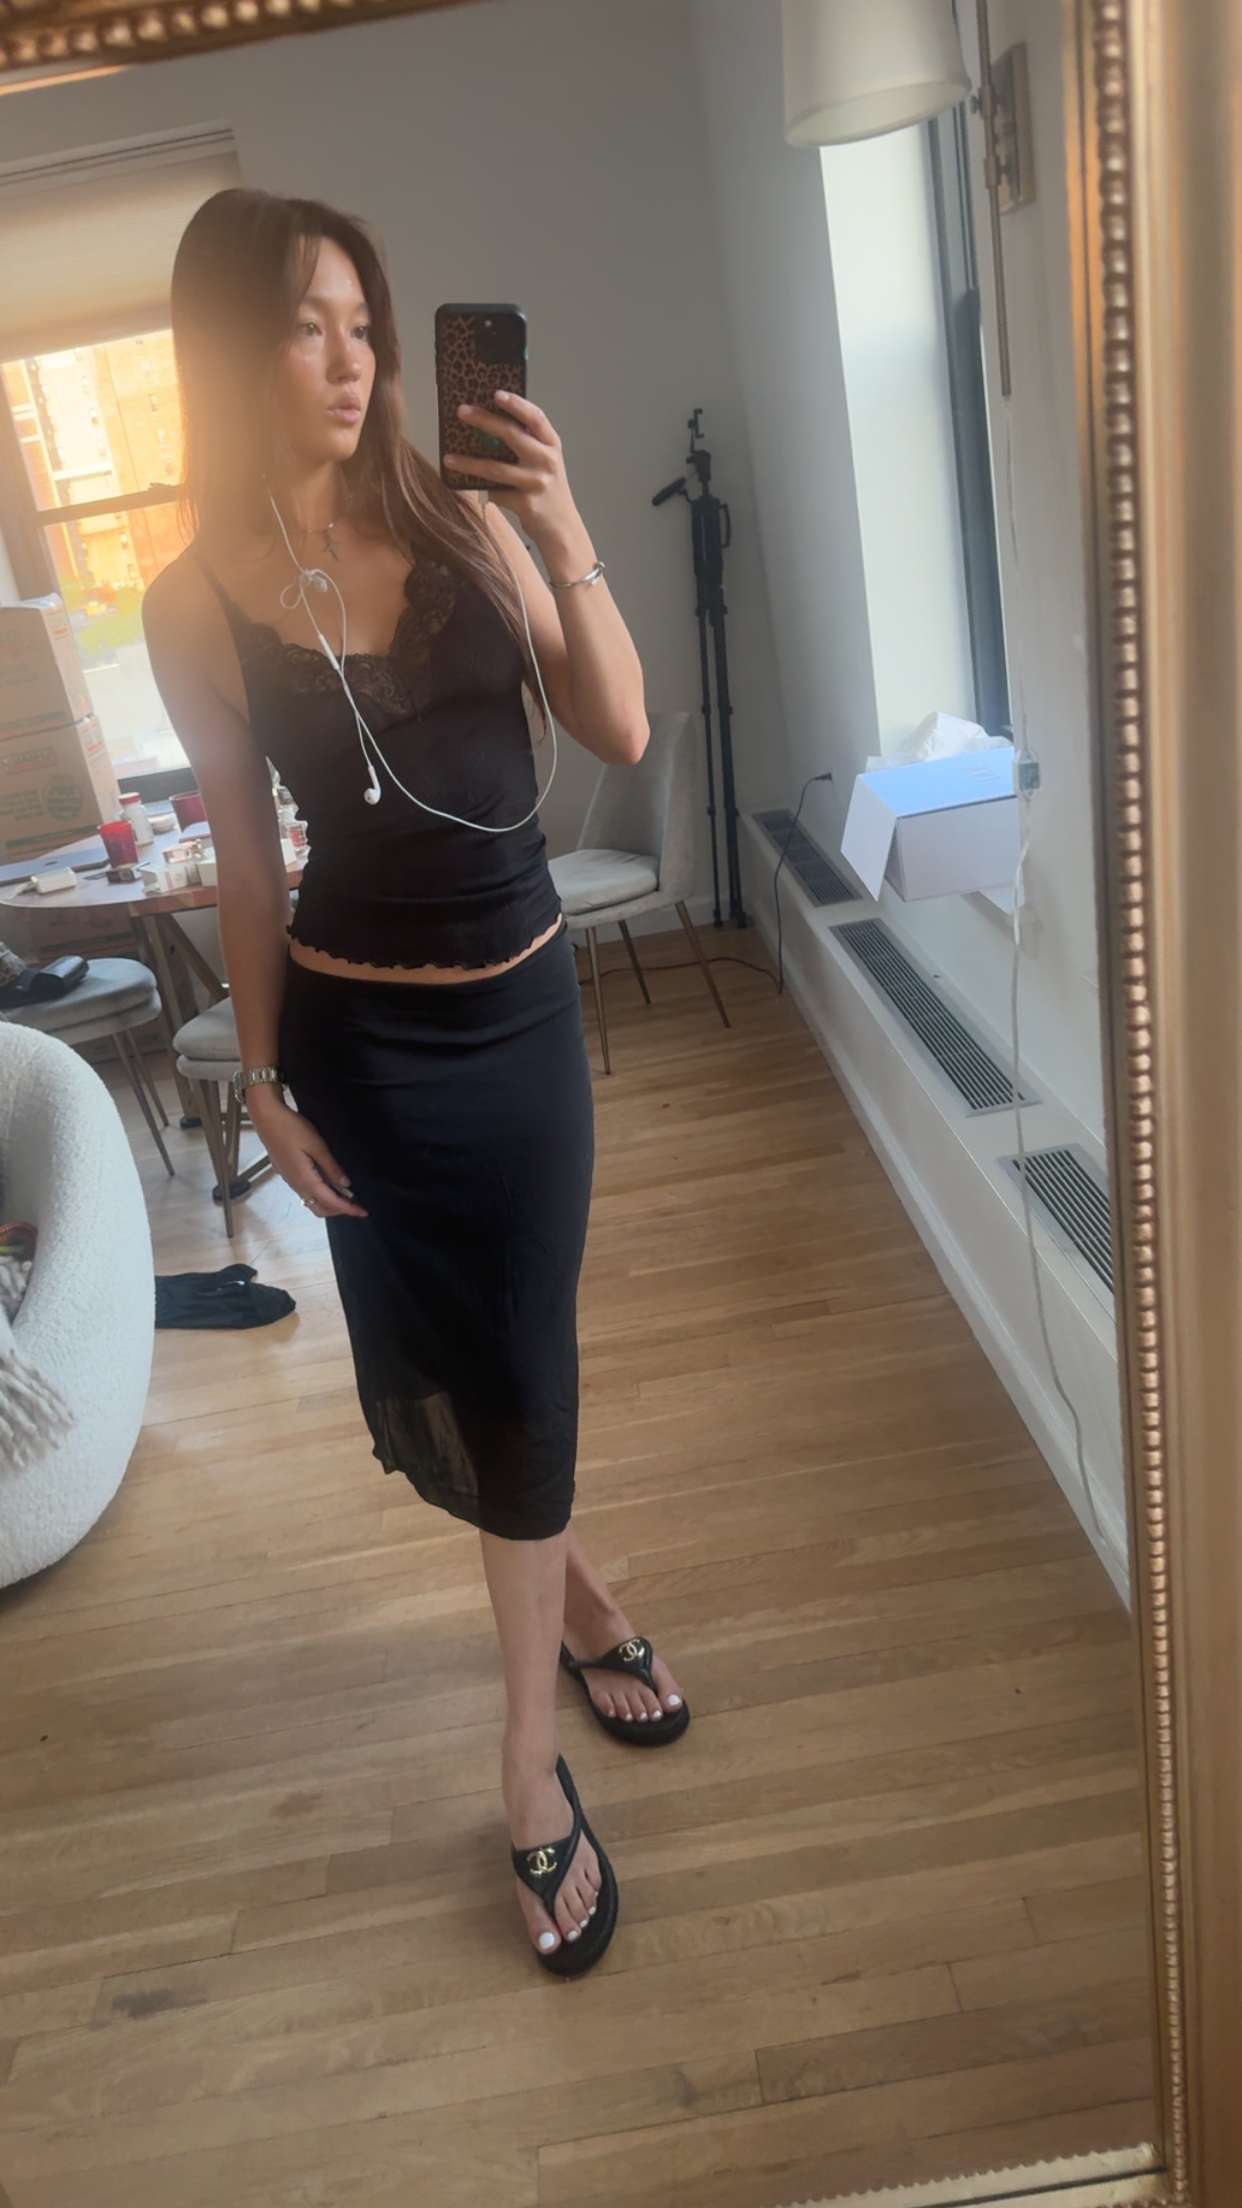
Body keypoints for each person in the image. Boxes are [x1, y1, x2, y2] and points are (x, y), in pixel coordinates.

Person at [142, 188, 690, 1978]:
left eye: (363, 324)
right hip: (357, 1051)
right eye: (305, 325)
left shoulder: (460, 518)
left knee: (521, 1363)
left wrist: (562, 523)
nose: (351, 359)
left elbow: (616, 724)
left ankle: (523, 1770)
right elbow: (246, 865)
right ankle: (583, 1598)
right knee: (445, 1373)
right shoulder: (191, 600)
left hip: (514, 1036)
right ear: (229, 352)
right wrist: (262, 1079)